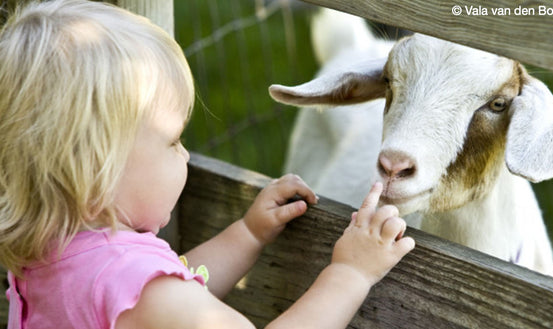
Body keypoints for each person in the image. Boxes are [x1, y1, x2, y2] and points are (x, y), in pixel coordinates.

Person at [0, 1, 415, 328]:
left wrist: (247, 234)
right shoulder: (138, 288)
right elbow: (165, 296)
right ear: (95, 170)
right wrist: (349, 274)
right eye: (173, 140)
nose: (183, 153)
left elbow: (176, 286)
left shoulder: (58, 253)